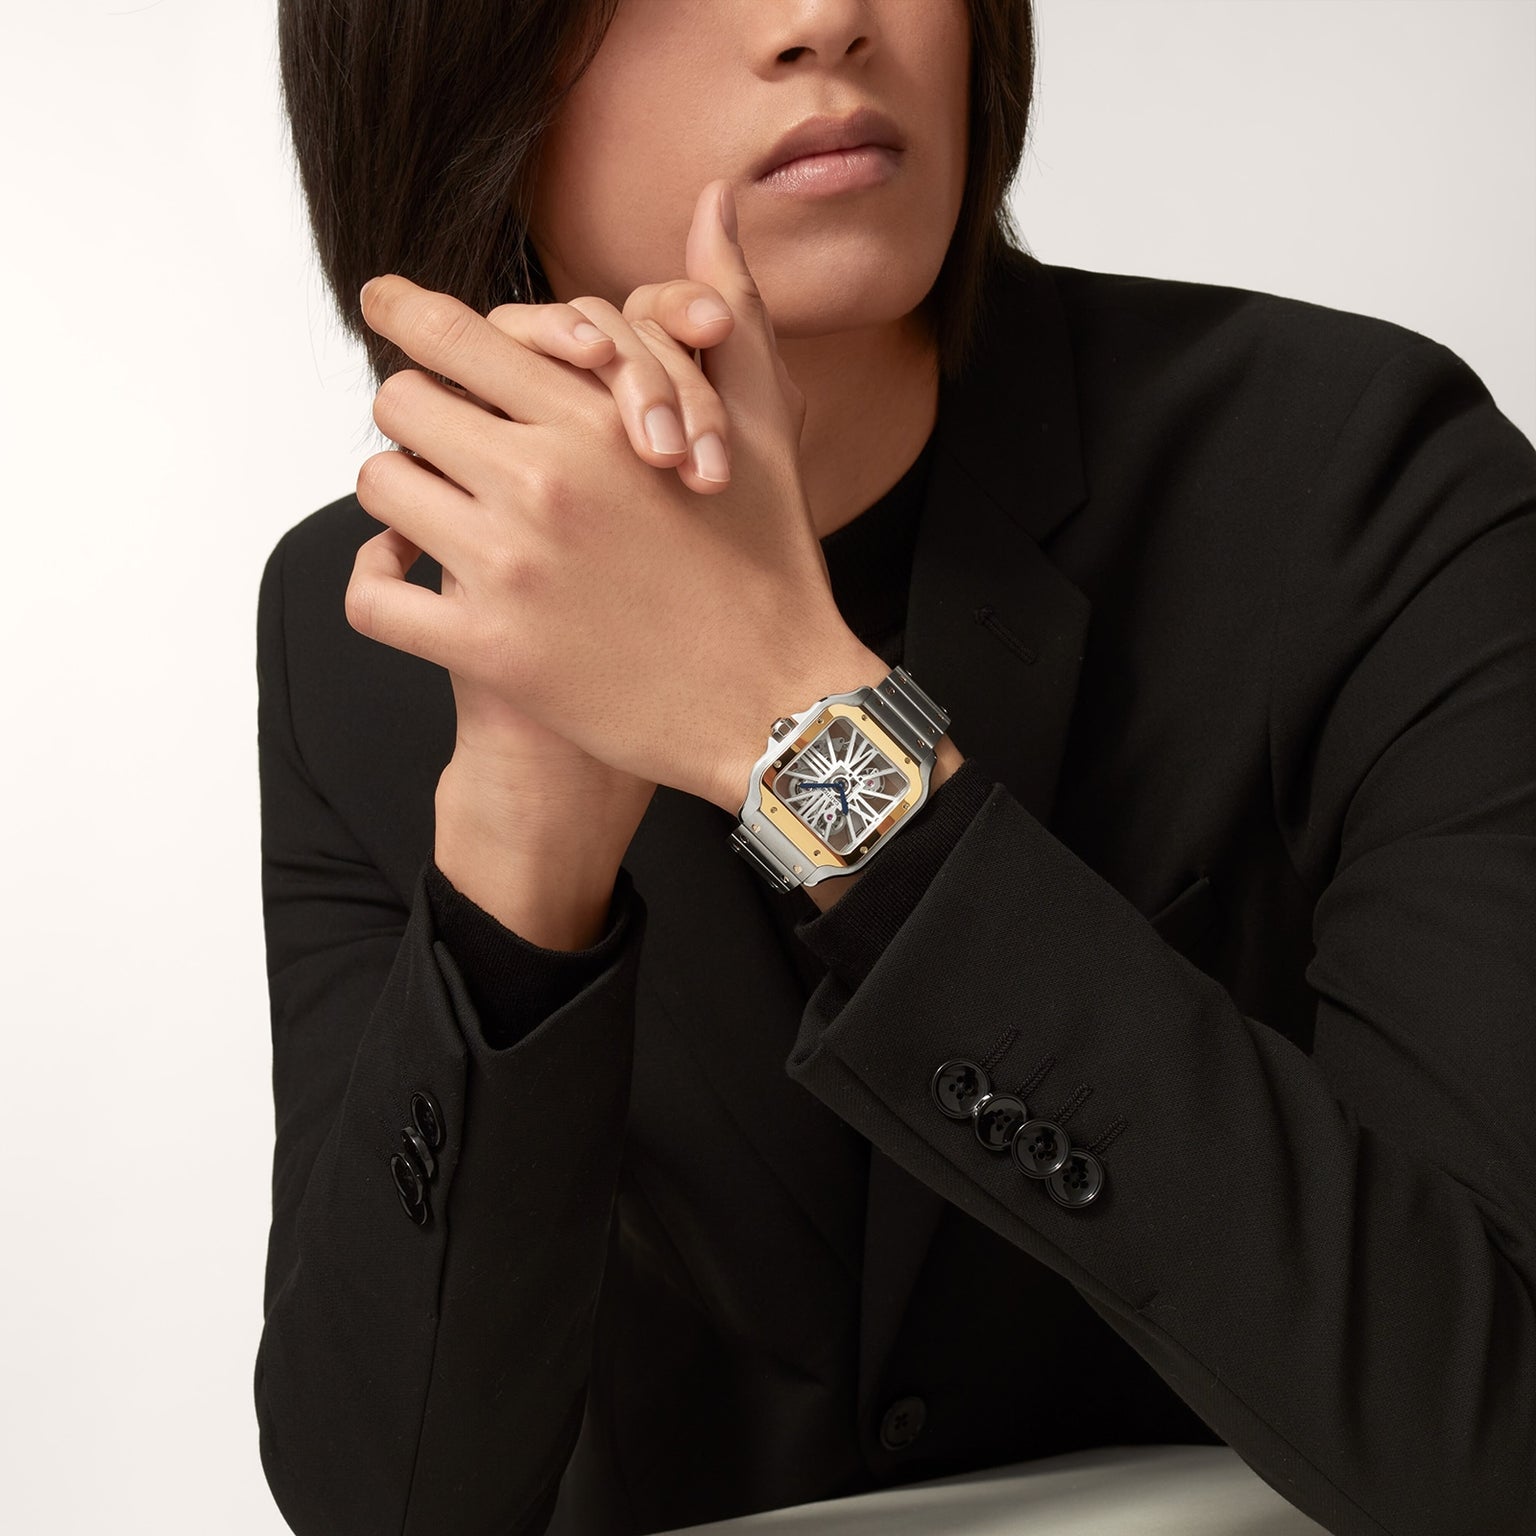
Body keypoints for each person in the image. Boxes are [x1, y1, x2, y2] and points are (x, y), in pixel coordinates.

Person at [255, 3, 1536, 1534]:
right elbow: (392, 1507)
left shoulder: (1357, 476)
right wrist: (529, 821)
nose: (824, 19)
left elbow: (1496, 1433)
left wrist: (799, 732)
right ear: (453, 66)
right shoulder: (372, 619)